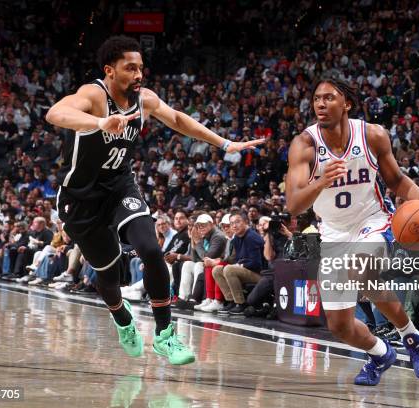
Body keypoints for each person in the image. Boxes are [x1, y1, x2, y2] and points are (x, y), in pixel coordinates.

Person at [45, 36, 263, 364]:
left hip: (120, 187)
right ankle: (122, 319)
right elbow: (56, 113)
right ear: (110, 71)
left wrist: (224, 143)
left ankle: (165, 335)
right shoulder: (94, 95)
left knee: (150, 249)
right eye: (130, 68)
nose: (138, 74)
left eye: (140, 68)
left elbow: (176, 119)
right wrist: (100, 123)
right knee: (108, 274)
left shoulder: (144, 99)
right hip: (80, 198)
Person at [285, 78, 419, 386]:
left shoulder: (372, 135)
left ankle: (413, 340)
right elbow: (293, 204)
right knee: (340, 326)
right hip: (331, 233)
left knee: (361, 270)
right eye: (317, 98)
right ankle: (381, 353)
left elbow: (396, 181)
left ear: (347, 104)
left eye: (330, 97)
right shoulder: (304, 144)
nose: (321, 103)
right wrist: (320, 182)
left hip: (372, 220)